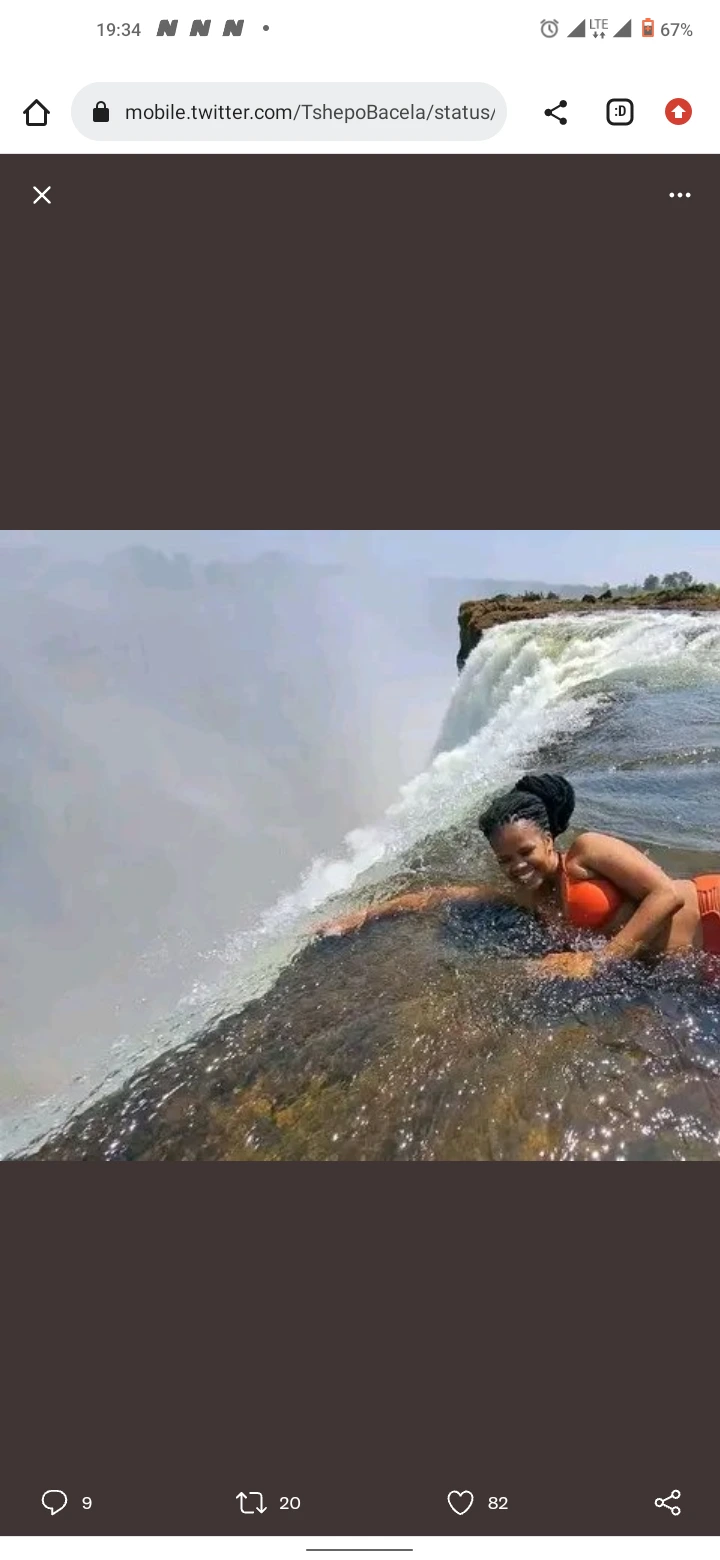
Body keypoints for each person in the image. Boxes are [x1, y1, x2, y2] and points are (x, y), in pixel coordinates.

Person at [316, 773, 720, 977]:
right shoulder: (529, 899)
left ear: (548, 839)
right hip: (703, 965)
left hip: (711, 910)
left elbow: (666, 894)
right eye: (505, 860)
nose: (518, 866)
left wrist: (599, 961)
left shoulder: (587, 852)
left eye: (525, 852)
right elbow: (440, 895)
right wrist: (364, 916)